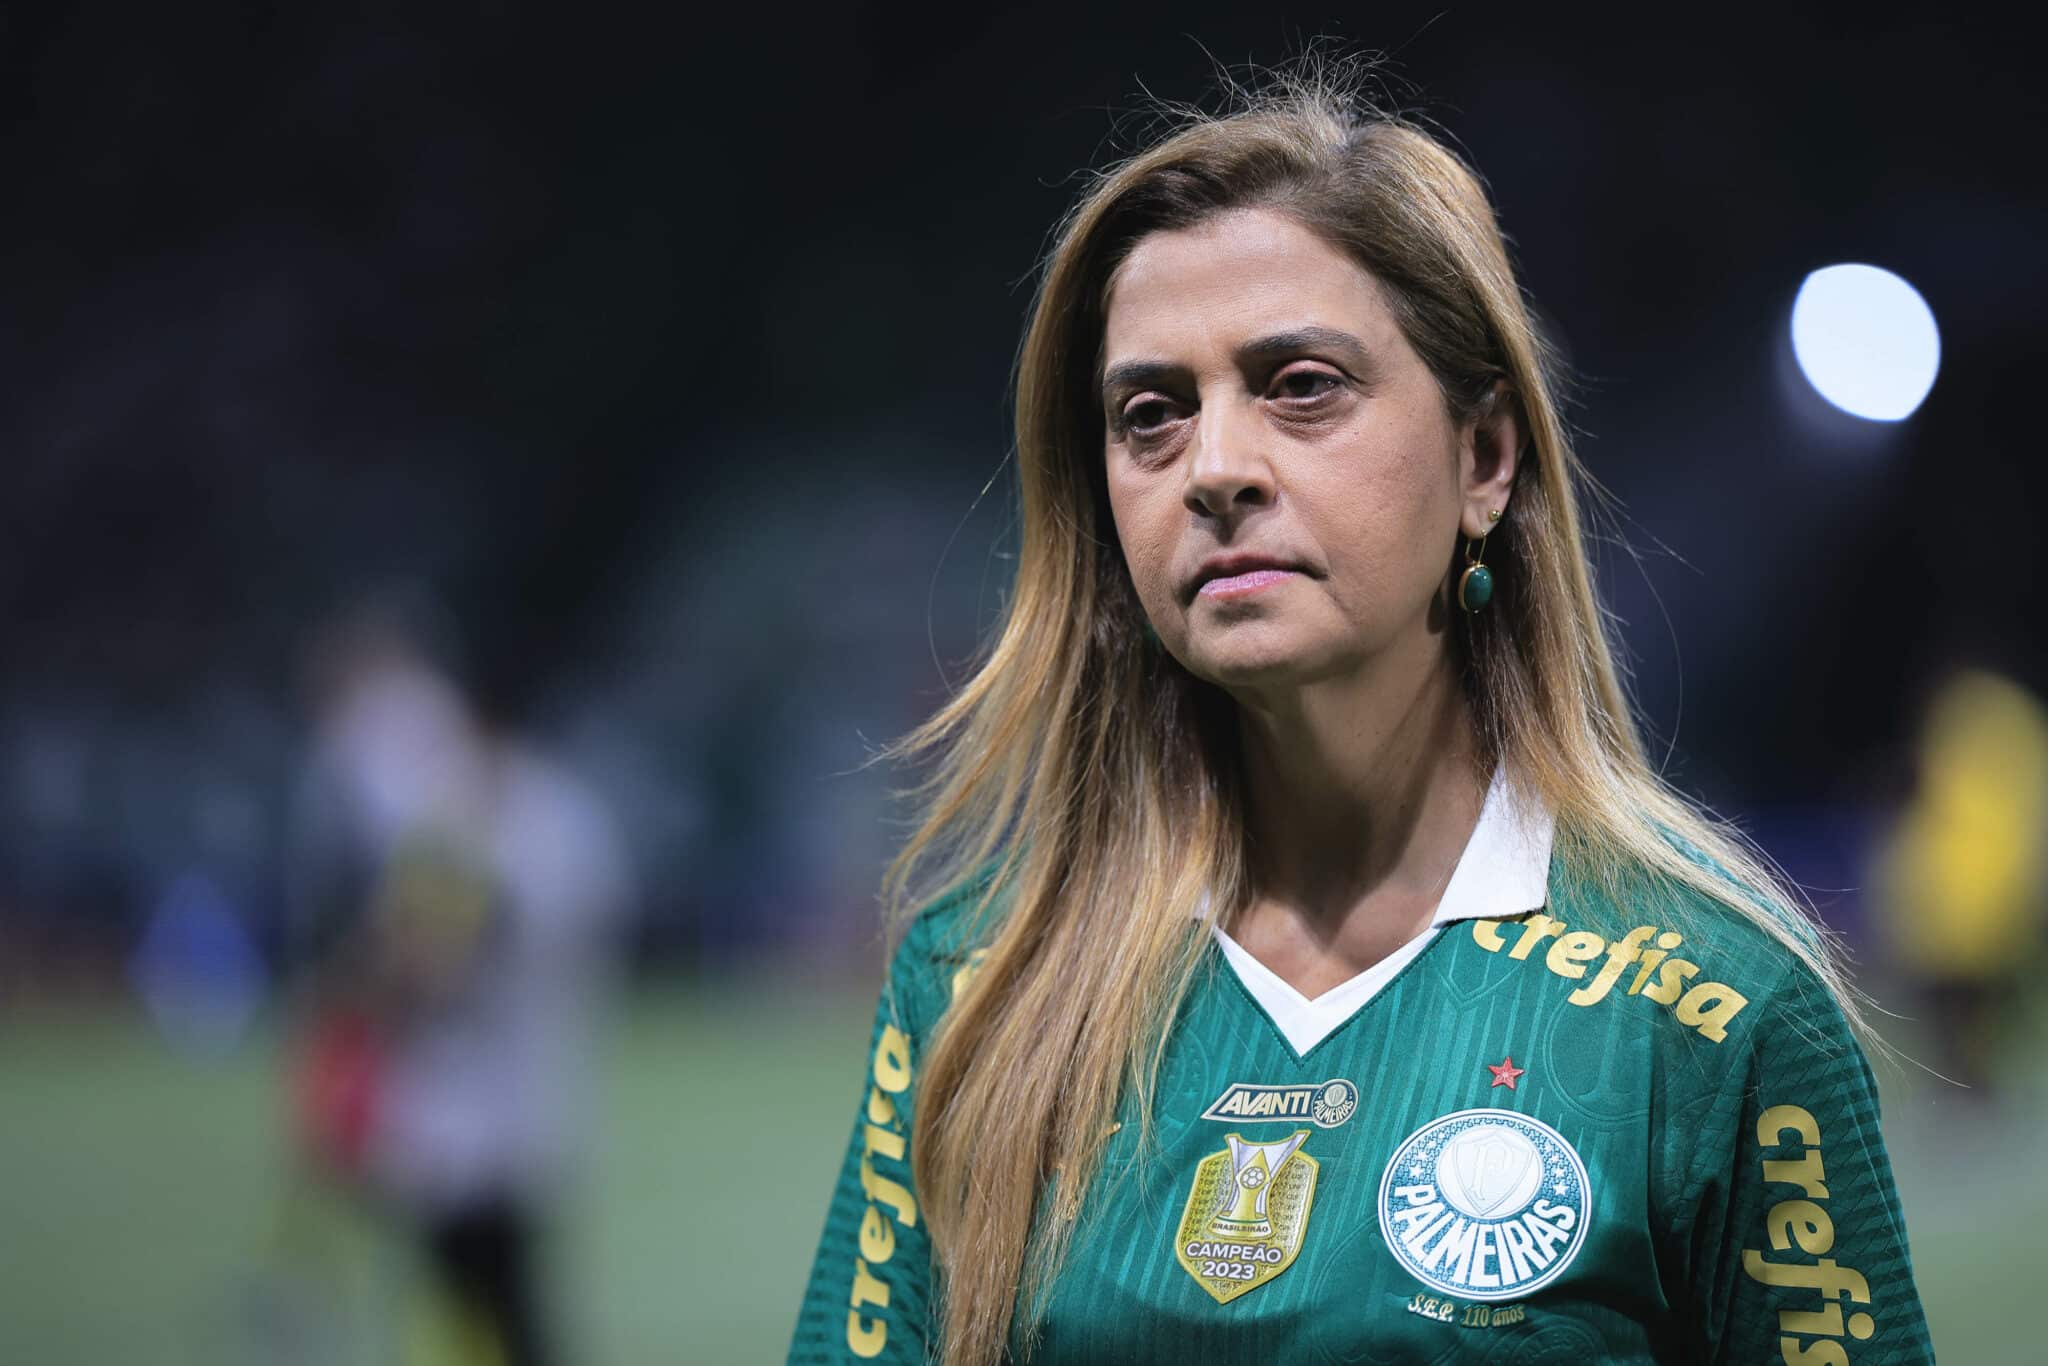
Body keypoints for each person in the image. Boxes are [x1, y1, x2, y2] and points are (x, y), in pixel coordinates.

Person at [789, 59, 1932, 1365]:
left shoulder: (1718, 1006)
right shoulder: (977, 982)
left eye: (1302, 385)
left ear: (1485, 458)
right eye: (1150, 414)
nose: (1216, 467)